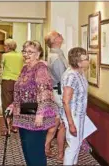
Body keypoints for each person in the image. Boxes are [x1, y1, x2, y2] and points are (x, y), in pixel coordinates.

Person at [12, 40, 57, 166]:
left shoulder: (40, 68)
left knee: (35, 151)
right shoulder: (25, 68)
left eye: (30, 52)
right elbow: (20, 89)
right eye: (24, 51)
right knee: (27, 149)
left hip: (36, 114)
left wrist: (40, 114)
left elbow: (44, 91)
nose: (26, 54)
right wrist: (14, 105)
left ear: (38, 54)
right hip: (26, 111)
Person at [61, 47, 89, 165]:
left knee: (76, 145)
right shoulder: (71, 76)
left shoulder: (80, 73)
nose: (88, 60)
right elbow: (66, 101)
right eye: (85, 59)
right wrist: (71, 124)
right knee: (73, 146)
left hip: (80, 114)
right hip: (73, 115)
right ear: (78, 62)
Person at [44, 30, 68, 162]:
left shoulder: (55, 54)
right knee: (63, 124)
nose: (61, 35)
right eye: (58, 35)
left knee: (55, 123)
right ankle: (60, 155)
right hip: (60, 93)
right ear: (54, 41)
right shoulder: (57, 57)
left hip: (56, 92)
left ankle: (45, 148)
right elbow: (62, 78)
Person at [0, 38, 23, 133]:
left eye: (5, 46)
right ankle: (15, 126)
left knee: (6, 103)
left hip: (7, 81)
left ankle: (8, 128)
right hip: (19, 82)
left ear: (8, 47)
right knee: (17, 103)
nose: (4, 47)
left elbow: (2, 68)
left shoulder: (5, 55)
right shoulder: (21, 56)